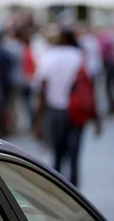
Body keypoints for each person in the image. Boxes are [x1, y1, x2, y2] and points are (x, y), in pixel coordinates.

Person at [33, 28, 102, 187]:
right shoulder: (80, 57)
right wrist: (96, 118)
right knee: (74, 156)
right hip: (76, 111)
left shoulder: (48, 57)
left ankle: (58, 192)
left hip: (55, 111)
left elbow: (42, 89)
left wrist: (38, 120)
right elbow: (90, 88)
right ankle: (75, 194)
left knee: (56, 155)